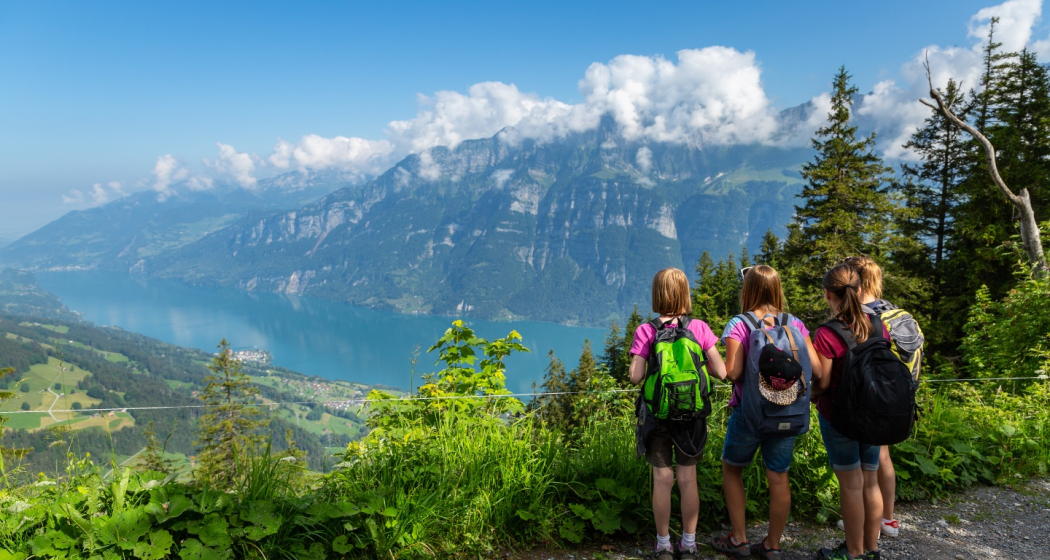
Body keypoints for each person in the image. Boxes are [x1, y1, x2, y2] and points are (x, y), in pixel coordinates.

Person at [709, 265, 822, 560]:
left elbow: (732, 373)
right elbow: (818, 369)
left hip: (750, 415)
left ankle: (740, 539)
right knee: (779, 475)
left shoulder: (739, 324)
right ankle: (772, 545)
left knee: (732, 469)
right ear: (777, 289)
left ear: (748, 290)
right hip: (788, 413)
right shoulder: (794, 323)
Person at [629, 268, 727, 560]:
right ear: (685, 293)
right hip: (692, 417)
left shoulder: (647, 330)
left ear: (657, 294)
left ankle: (662, 546)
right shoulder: (699, 328)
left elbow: (635, 377)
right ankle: (689, 544)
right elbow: (721, 372)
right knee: (688, 479)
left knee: (662, 478)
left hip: (658, 416)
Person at [811, 263, 888, 560]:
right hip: (874, 415)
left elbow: (825, 381)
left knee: (851, 484)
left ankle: (853, 553)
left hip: (840, 417)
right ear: (858, 290)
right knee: (870, 479)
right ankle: (871, 549)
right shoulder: (879, 325)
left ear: (829, 295)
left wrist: (812, 395)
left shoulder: (828, 333)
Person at [844, 256, 902, 538]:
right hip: (896, 391)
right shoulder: (893, 311)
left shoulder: (864, 315)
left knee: (867, 466)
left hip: (870, 393)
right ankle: (887, 519)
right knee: (883, 456)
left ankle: (868, 524)